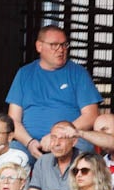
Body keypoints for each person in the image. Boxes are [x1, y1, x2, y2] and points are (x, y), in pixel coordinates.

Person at [9, 24, 101, 155]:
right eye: (54, 45)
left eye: (64, 45)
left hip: (69, 140)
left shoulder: (78, 73)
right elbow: (13, 120)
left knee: (82, 154)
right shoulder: (24, 74)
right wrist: (30, 143)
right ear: (39, 46)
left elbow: (91, 116)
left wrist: (57, 136)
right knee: (11, 156)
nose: (61, 50)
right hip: (29, 143)